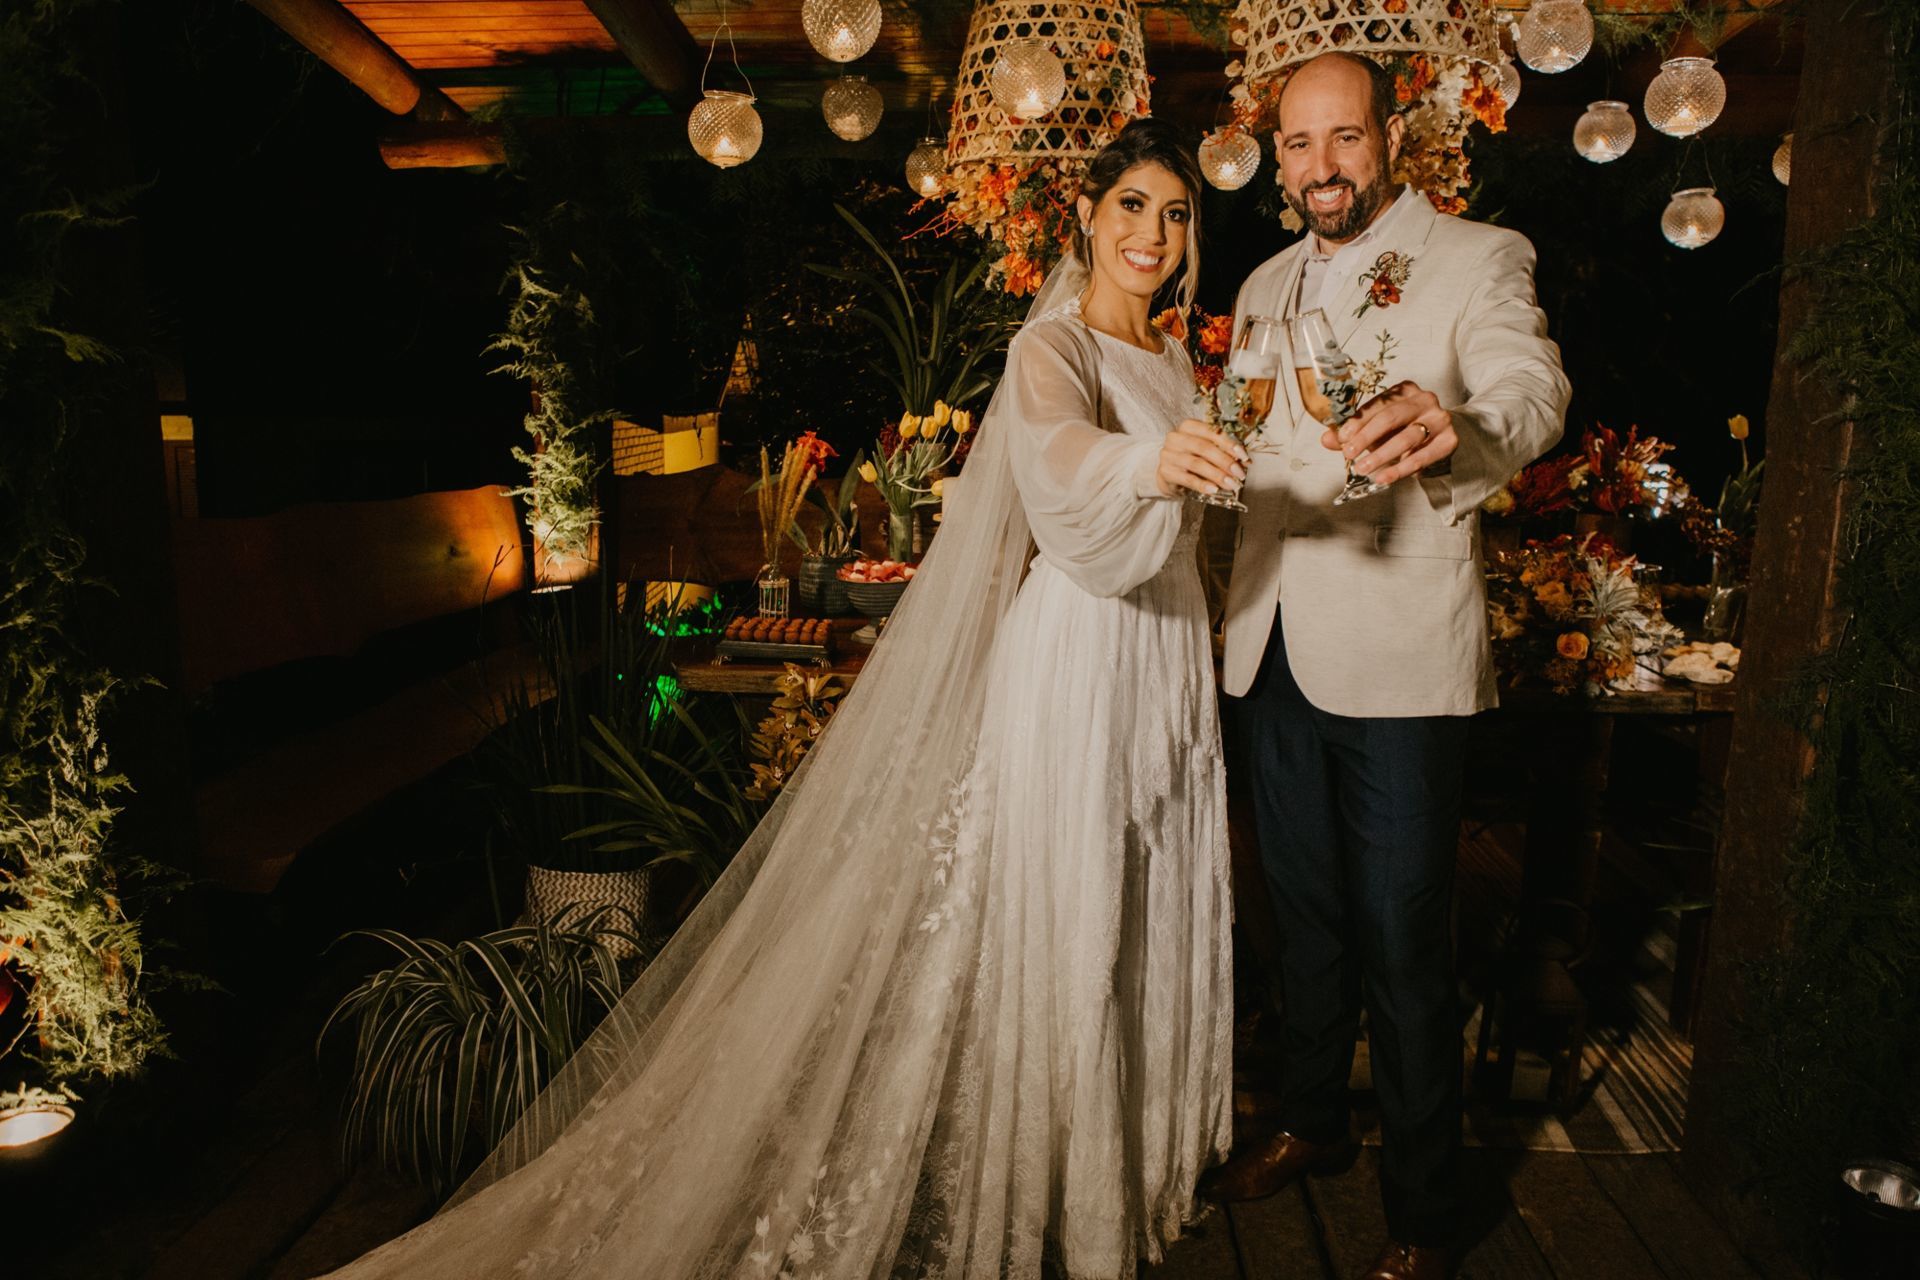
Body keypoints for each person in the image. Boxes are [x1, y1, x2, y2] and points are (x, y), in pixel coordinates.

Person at [320, 118, 1252, 1280]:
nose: (1153, 234)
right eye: (1132, 207)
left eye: (1175, 214)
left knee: (1140, 879)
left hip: (1162, 662)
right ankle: (1044, 1174)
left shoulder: (1177, 364)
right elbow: (1059, 463)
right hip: (1079, 656)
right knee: (1061, 894)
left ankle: (1111, 1154)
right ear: (1086, 217)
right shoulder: (1052, 350)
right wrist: (1146, 464)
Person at [1195, 51, 1570, 1280]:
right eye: (1298, 146)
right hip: (1270, 641)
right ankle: (1313, 1116)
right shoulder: (1254, 283)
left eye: (1342, 139)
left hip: (1401, 660)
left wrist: (1466, 429)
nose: (1319, 168)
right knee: (1299, 918)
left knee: (1405, 935)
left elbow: (1531, 388)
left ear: (1388, 138)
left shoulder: (1479, 255)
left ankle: (1425, 1204)